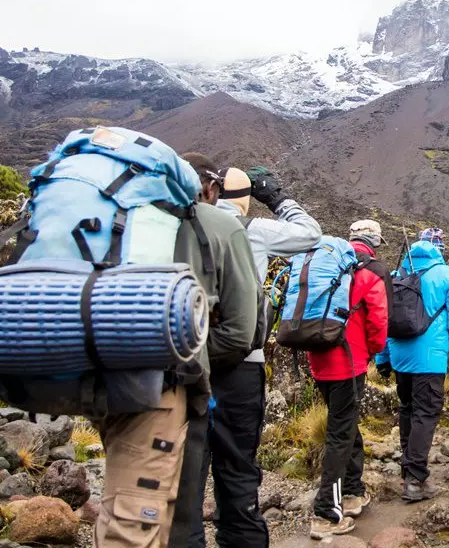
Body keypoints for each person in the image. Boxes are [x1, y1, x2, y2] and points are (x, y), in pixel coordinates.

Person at [184, 167, 320, 547]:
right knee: (238, 469)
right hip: (240, 364)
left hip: (182, 362)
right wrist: (276, 198)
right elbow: (311, 234)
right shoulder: (252, 231)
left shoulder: (173, 227)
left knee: (184, 473)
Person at [151, 153, 256, 548]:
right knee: (205, 493)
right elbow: (241, 332)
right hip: (193, 383)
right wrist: (191, 358)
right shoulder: (222, 226)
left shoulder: (129, 220)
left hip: (123, 380)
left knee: (145, 500)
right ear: (210, 189)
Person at [307, 220, 389, 540]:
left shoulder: (325, 268)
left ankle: (353, 491)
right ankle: (326, 511)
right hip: (349, 362)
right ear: (373, 243)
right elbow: (379, 323)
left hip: (317, 358)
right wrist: (373, 352)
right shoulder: (369, 273)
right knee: (340, 435)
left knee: (344, 424)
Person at [375, 232, 449, 502]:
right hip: (430, 358)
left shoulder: (397, 273)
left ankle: (408, 467)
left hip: (399, 356)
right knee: (426, 413)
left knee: (407, 409)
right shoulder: (447, 275)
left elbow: (382, 318)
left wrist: (382, 359)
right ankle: (415, 479)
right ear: (437, 251)